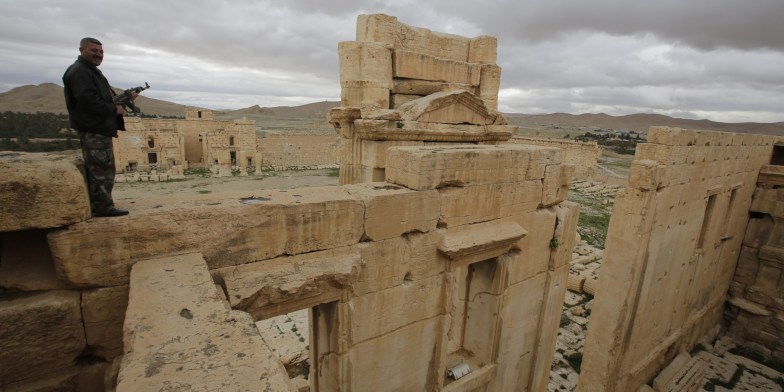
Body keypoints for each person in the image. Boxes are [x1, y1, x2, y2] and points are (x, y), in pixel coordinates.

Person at [63, 37, 134, 217]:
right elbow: (88, 101)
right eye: (94, 50)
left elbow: (100, 98)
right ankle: (102, 207)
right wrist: (114, 109)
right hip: (94, 127)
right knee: (101, 169)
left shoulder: (90, 71)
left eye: (101, 51)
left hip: (98, 127)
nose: (99, 54)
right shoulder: (80, 72)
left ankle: (101, 204)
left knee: (102, 167)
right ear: (82, 50)